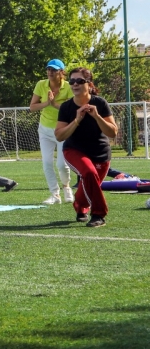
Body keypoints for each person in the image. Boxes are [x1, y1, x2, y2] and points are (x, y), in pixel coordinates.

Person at [55, 67, 117, 228]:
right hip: (74, 150)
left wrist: (97, 116)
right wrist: (77, 120)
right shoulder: (66, 107)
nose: (75, 84)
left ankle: (80, 205)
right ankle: (99, 214)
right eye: (72, 81)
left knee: (87, 185)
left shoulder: (100, 103)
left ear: (89, 84)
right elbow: (59, 136)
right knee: (89, 173)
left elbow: (112, 132)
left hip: (101, 154)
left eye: (80, 81)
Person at [30, 59, 74, 205]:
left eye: (54, 70)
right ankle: (55, 194)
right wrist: (47, 103)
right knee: (47, 163)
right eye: (48, 69)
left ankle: (66, 187)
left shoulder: (68, 87)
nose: (50, 72)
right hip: (45, 130)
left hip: (62, 130)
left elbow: (71, 109)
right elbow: (32, 107)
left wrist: (54, 103)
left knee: (62, 164)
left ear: (61, 72)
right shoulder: (41, 84)